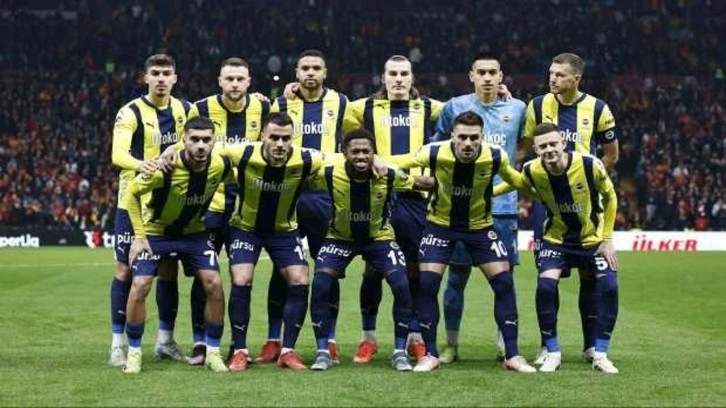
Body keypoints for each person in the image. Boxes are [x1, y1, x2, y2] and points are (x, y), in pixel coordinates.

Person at [389, 111, 536, 373]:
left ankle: (512, 355)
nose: (468, 143)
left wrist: (535, 188)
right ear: (453, 136)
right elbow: (397, 163)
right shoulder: (435, 152)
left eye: (474, 138)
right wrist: (409, 182)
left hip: (480, 228)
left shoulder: (495, 156)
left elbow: (517, 181)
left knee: (504, 283)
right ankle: (430, 355)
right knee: (427, 284)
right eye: (463, 137)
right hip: (439, 226)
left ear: (482, 137)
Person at [340, 55, 443, 363]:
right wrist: (289, 92)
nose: (398, 79)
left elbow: (468, 109)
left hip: (414, 197)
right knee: (373, 269)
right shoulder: (363, 108)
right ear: (382, 78)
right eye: (393, 74)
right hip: (378, 196)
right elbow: (328, 110)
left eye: (404, 74)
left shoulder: (429, 107)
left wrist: (500, 93)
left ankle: (414, 337)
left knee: (414, 270)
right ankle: (368, 338)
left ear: (412, 78)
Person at [307, 129, 431, 371]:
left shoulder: (389, 175)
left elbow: (419, 183)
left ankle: (399, 352)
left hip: (379, 238)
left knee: (401, 284)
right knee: (321, 282)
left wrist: (453, 181)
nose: (361, 156)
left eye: (366, 151)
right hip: (340, 238)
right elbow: (301, 178)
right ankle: (322, 351)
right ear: (344, 153)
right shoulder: (329, 172)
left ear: (374, 153)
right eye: (355, 151)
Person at [523, 53, 618, 365]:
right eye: (551, 73)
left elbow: (611, 154)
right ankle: (546, 345)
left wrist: (589, 182)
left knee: (591, 276)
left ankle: (591, 346)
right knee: (547, 275)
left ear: (576, 78)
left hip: (585, 202)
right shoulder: (537, 106)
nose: (552, 79)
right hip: (549, 205)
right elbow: (528, 147)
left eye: (559, 74)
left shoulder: (599, 109)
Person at [503, 122, 620, 373]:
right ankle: (552, 352)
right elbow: (516, 183)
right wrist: (488, 191)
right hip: (557, 240)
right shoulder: (532, 169)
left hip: (592, 239)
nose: (549, 149)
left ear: (563, 143)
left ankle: (600, 353)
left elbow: (610, 197)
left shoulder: (590, 165)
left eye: (553, 144)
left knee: (609, 286)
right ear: (536, 149)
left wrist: (607, 239)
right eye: (542, 146)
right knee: (546, 286)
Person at [433, 53, 526, 364]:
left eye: (492, 72)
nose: (487, 78)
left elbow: (525, 145)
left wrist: (505, 168)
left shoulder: (518, 108)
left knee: (504, 280)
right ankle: (451, 345)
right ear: (471, 75)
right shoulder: (454, 107)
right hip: (460, 208)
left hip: (502, 209)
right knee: (456, 277)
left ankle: (505, 344)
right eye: (481, 72)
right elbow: (437, 146)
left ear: (501, 76)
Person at [256, 50, 348, 364]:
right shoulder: (280, 105)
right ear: (296, 72)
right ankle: (273, 339)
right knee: (282, 270)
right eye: (305, 68)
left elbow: (366, 127)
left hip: (325, 197)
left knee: (328, 269)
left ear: (325, 72)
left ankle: (329, 339)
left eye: (316, 68)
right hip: (287, 196)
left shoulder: (342, 103)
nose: (310, 73)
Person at [121, 116, 233, 374]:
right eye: (194, 140)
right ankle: (134, 353)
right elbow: (131, 193)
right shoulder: (164, 169)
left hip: (195, 234)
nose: (201, 145)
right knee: (140, 284)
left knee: (214, 283)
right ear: (184, 140)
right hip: (156, 232)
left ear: (214, 141)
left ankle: (213, 352)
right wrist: (139, 236)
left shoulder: (220, 164)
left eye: (206, 140)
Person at [108, 54, 197, 367]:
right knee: (125, 270)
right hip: (132, 202)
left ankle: (165, 341)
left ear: (175, 78)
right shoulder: (130, 112)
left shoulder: (186, 109)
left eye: (166, 73)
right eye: (155, 73)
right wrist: (142, 164)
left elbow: (199, 138)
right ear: (145, 78)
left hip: (171, 203)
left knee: (168, 270)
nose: (161, 78)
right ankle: (118, 344)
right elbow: (118, 154)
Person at [224, 112, 323, 372]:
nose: (280, 144)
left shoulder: (307, 158)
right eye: (274, 137)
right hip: (245, 229)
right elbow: (209, 149)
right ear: (262, 137)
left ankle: (288, 351)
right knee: (242, 279)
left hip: (284, 232)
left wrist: (377, 160)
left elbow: (339, 159)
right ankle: (240, 351)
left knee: (300, 279)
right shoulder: (243, 153)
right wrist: (171, 152)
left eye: (286, 139)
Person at [190, 57, 270, 365]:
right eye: (229, 79)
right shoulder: (200, 109)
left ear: (249, 82)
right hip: (210, 204)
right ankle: (200, 342)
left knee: (241, 278)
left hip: (246, 206)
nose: (235, 84)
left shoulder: (263, 108)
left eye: (240, 79)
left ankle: (239, 346)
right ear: (219, 81)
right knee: (204, 276)